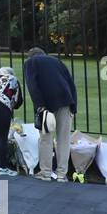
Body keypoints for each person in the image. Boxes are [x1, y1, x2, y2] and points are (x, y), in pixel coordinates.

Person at [24, 47, 78, 182]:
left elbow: (32, 86)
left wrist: (39, 105)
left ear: (30, 56)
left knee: (46, 138)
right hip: (66, 101)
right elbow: (71, 84)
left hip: (46, 104)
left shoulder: (30, 63)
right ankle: (61, 174)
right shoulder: (57, 61)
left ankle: (46, 172)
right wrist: (74, 107)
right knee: (63, 139)